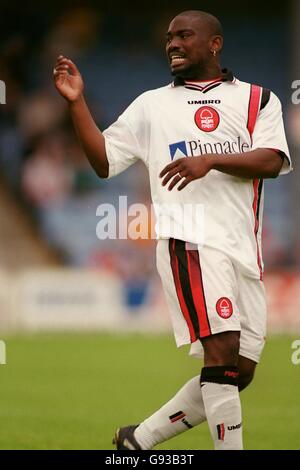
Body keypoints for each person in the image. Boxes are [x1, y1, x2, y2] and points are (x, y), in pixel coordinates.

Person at [53, 10, 291, 450]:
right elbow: (103, 162)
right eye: (168, 38)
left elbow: (273, 160)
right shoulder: (152, 105)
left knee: (240, 370)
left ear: (215, 44)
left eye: (184, 36)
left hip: (243, 249)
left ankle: (137, 441)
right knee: (220, 357)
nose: (173, 44)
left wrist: (210, 160)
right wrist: (76, 102)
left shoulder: (259, 100)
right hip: (191, 242)